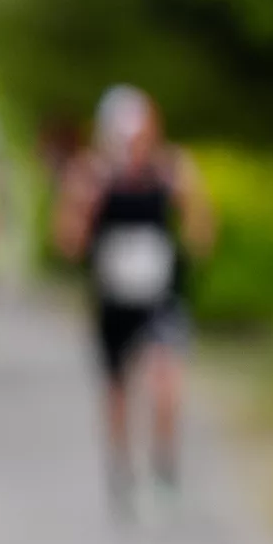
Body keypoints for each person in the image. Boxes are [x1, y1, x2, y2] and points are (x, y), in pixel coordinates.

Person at [53, 84, 212, 522]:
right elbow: (67, 245)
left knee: (167, 383)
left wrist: (188, 201)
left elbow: (201, 233)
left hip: (161, 296)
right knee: (117, 390)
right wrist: (85, 204)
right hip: (112, 298)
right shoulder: (90, 174)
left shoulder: (172, 168)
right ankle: (122, 473)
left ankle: (163, 469)